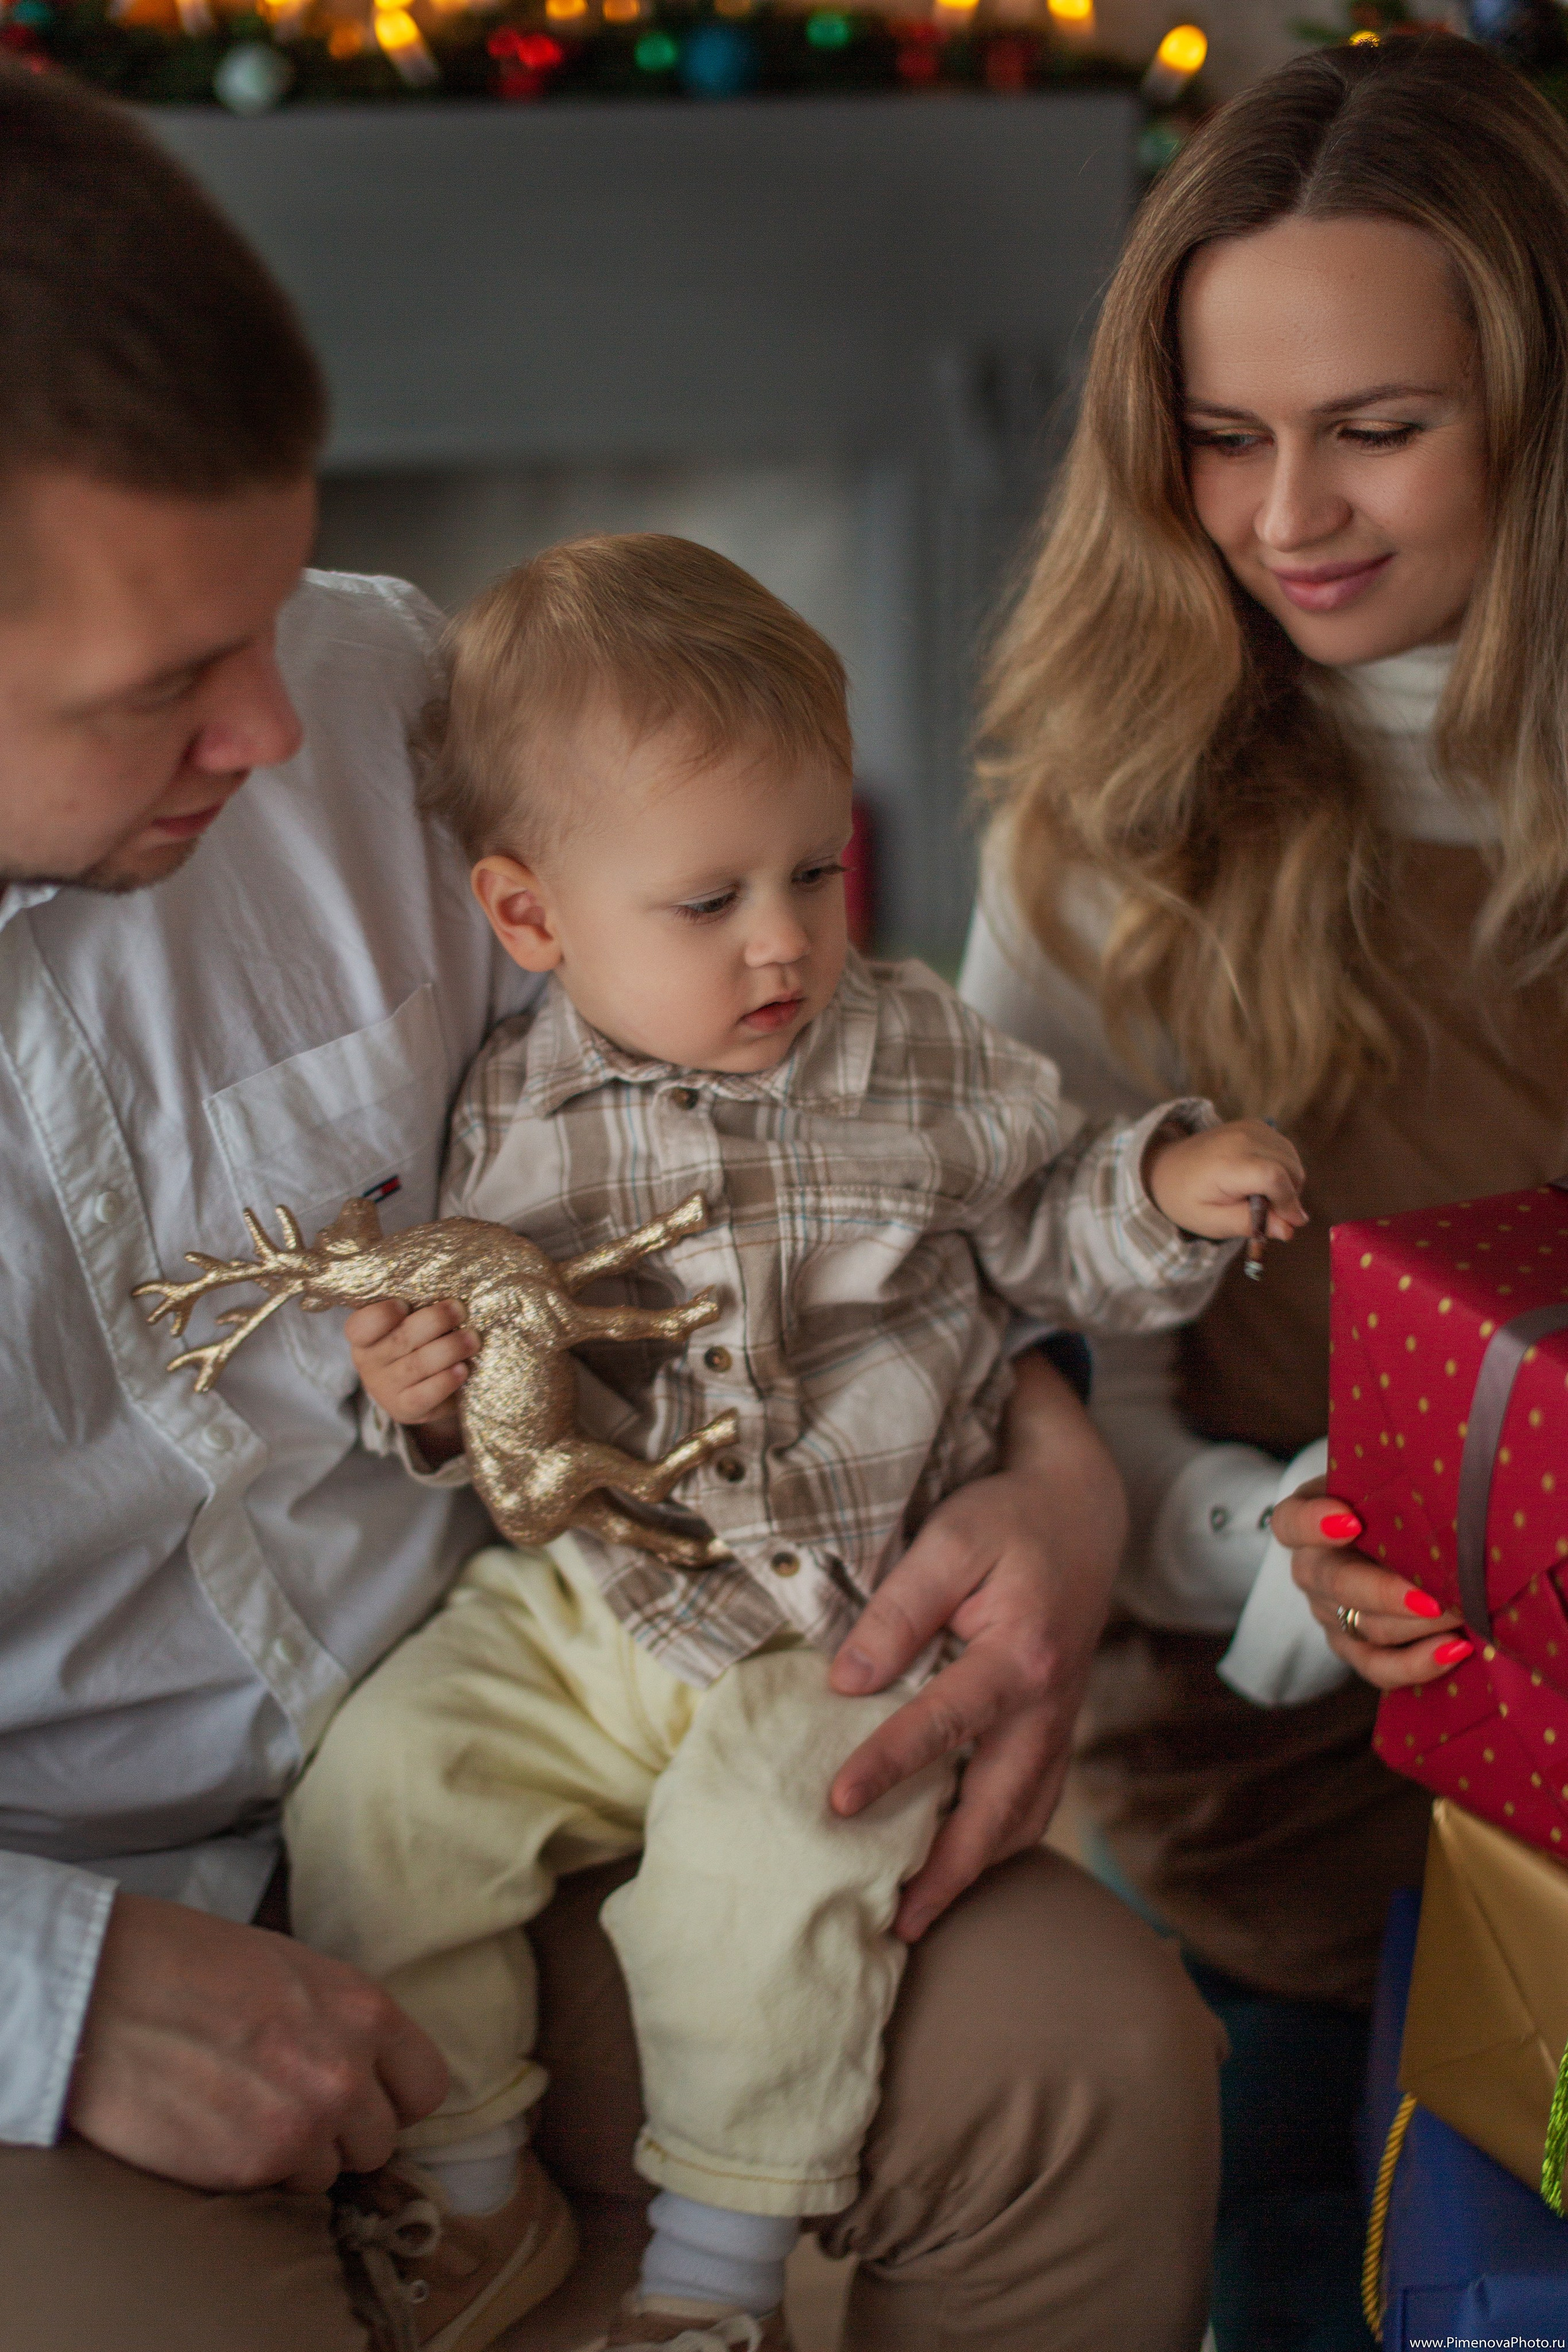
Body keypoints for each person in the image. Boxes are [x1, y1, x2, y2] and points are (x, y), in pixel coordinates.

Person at [0, 62, 1226, 2352]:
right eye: (169, 682)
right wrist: (48, 1995)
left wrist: (1045, 1465)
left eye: (272, 602)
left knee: (1086, 2049)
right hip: (71, 1936)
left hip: (586, 1681)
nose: (283, 730)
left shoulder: (378, 702)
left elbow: (799, 1122)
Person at [279, 535, 1305, 2352]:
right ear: (531, 921)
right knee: (382, 1794)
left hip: (846, 1615)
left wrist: (1166, 1187)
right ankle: (469, 2192)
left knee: (765, 1873)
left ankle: (716, 2283)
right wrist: (417, 1385)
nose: (784, 938)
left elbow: (1054, 1225)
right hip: (603, 1609)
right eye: (709, 902)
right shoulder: (510, 1108)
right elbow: (488, 1399)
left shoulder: (910, 1051)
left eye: (817, 872)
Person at [962, 33, 1568, 2351]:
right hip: (1285, 1823)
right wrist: (1262, 1537)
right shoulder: (1109, 836)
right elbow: (1037, 1370)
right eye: (1221, 436)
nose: (1284, 513)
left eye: (1376, 429)